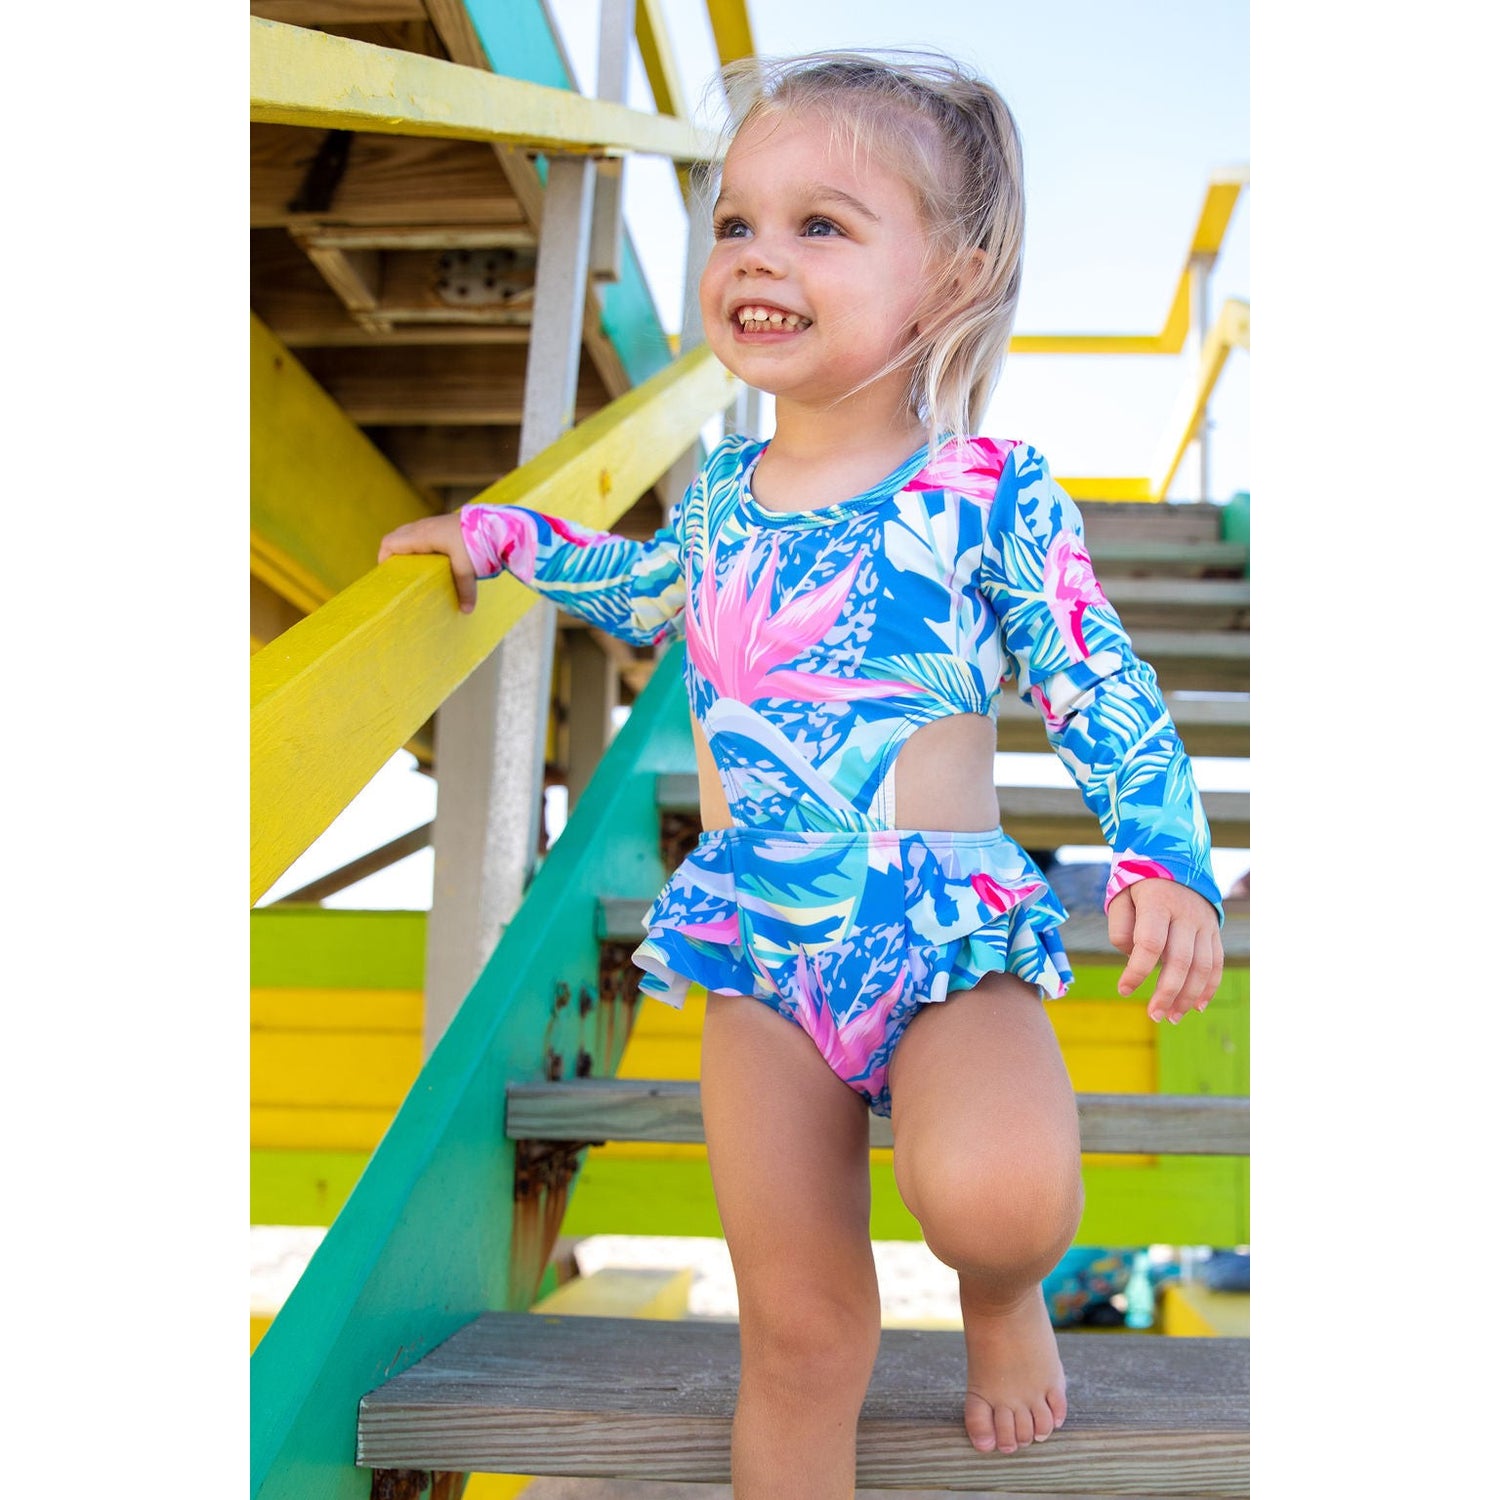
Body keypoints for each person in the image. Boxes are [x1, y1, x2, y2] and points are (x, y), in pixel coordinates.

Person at [378, 49, 1224, 1498]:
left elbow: (1097, 680)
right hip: (763, 942)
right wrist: (502, 539)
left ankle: (1004, 1297)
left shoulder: (986, 492)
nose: (758, 254)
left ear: (953, 280)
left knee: (997, 1202)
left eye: (820, 224)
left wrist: (1163, 850)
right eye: (735, 222)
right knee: (800, 1335)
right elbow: (647, 589)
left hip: (939, 931)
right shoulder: (720, 496)